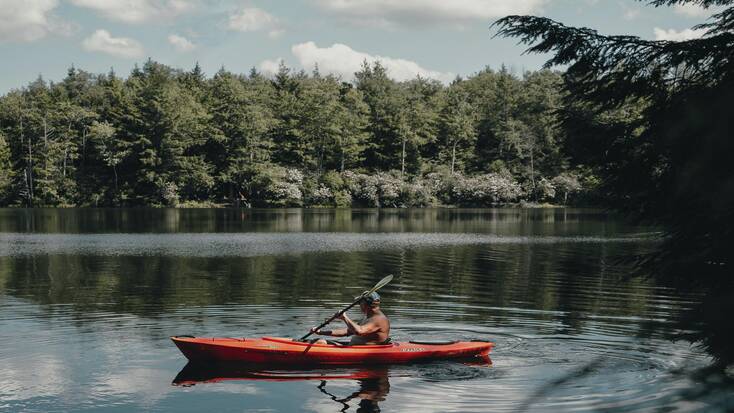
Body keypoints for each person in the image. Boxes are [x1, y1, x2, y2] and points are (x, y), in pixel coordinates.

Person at [310, 292, 390, 345]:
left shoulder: (380, 319)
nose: (359, 305)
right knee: (317, 341)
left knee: (319, 342)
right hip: (353, 347)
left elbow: (359, 331)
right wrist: (321, 332)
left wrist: (345, 318)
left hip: (363, 352)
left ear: (365, 304)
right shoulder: (369, 317)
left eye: (359, 303)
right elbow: (348, 331)